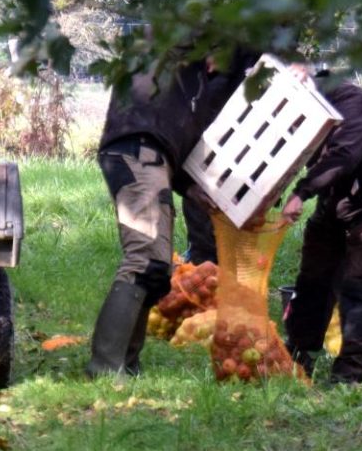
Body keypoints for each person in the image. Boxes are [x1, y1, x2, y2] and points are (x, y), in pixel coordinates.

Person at [86, 47, 259, 377]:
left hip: (153, 158)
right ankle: (105, 368)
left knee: (157, 268)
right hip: (136, 150)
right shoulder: (175, 43)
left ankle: (127, 363)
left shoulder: (192, 91)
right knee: (144, 259)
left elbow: (174, 143)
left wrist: (191, 188)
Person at [278, 66, 362, 384]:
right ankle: (297, 356)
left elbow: (343, 155)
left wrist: (301, 193)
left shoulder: (354, 103)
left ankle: (349, 375)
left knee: (359, 287)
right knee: (312, 280)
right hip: (334, 203)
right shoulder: (307, 110)